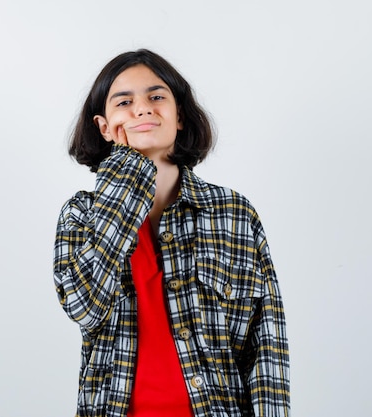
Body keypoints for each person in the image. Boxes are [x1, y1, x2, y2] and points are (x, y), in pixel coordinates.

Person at [53, 49, 289, 417]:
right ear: (103, 126)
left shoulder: (232, 212)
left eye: (157, 97)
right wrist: (128, 169)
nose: (143, 109)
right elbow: (84, 306)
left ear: (179, 116)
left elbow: (266, 342)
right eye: (125, 101)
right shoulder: (81, 214)